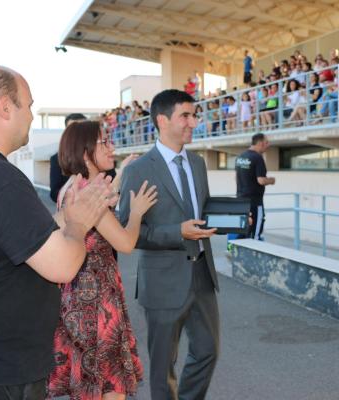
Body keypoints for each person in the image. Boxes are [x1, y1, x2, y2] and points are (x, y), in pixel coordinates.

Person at [0, 63, 115, 400]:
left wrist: (68, 216)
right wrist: (82, 220)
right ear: (4, 107)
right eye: (28, 105)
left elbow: (17, 242)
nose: (30, 115)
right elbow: (62, 264)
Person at [119, 89, 219, 400]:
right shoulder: (138, 170)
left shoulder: (198, 163)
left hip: (202, 275)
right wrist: (177, 233)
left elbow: (202, 210)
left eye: (194, 115)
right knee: (163, 368)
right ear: (163, 120)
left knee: (208, 353)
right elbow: (129, 231)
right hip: (162, 281)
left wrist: (236, 220)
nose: (193, 122)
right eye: (185, 116)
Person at [47, 121, 156, 400]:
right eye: (104, 142)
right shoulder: (88, 196)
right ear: (85, 153)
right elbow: (126, 243)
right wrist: (136, 213)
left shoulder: (71, 187)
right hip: (98, 304)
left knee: (88, 384)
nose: (112, 147)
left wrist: (118, 178)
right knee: (108, 384)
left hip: (75, 298)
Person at [235, 133, 276, 240]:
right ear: (261, 143)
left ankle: (235, 253)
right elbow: (261, 180)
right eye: (267, 142)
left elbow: (235, 177)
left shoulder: (241, 156)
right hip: (254, 202)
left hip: (240, 201)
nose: (268, 145)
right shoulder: (257, 157)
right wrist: (272, 180)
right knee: (255, 233)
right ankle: (253, 256)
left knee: (242, 229)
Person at [50, 113, 87, 202]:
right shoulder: (57, 159)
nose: (78, 133)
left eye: (83, 128)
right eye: (73, 129)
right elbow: (54, 193)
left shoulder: (100, 154)